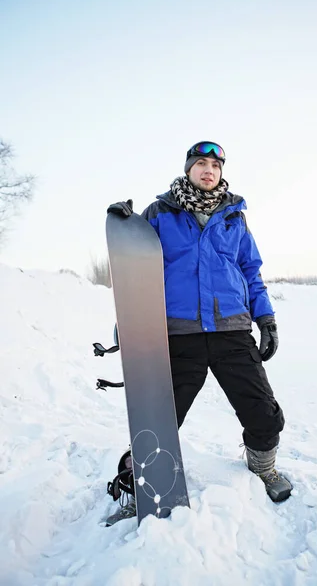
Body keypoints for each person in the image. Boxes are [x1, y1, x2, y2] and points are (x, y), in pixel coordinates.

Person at [106, 141, 292, 523]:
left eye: (215, 165)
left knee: (263, 412)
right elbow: (135, 275)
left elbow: (251, 272)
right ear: (188, 168)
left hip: (232, 332)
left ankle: (262, 467)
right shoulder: (159, 213)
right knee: (158, 418)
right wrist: (129, 225)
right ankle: (140, 485)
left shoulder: (234, 217)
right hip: (177, 336)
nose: (208, 170)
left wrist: (266, 319)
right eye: (201, 164)